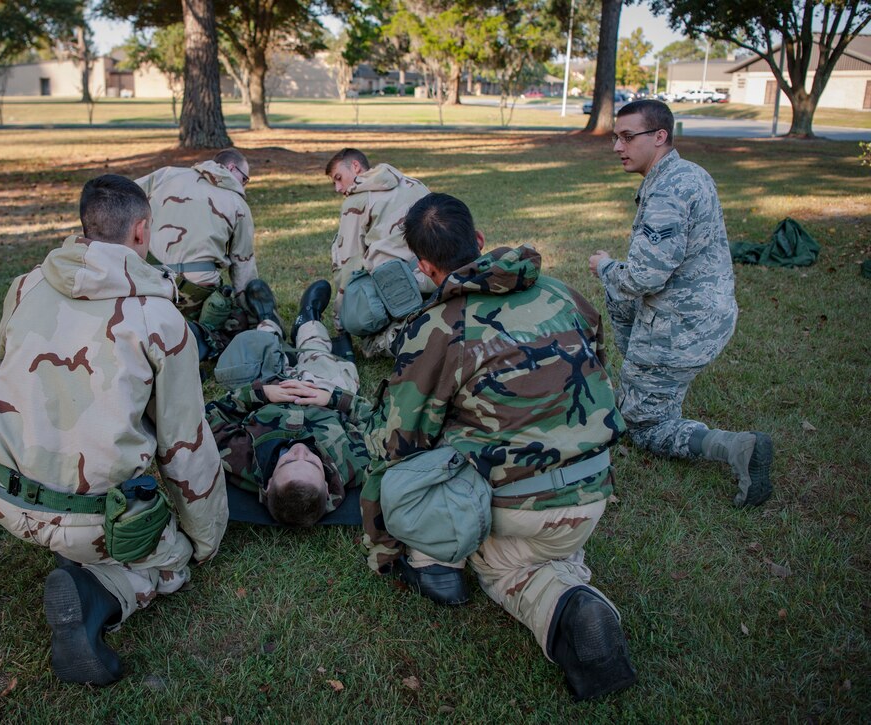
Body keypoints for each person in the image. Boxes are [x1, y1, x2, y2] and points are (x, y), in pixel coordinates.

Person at [362, 192, 636, 701]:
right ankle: (566, 575)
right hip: (595, 490)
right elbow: (594, 369)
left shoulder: (438, 328)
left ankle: (549, 595)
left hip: (515, 508)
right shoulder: (562, 293)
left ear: (424, 267)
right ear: (481, 241)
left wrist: (385, 545)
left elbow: (396, 441)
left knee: (505, 567)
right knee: (546, 549)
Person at [0, 175, 228, 686]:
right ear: (141, 231)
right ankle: (96, 593)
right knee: (171, 563)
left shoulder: (24, 286)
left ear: (85, 226)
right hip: (95, 521)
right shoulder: (160, 318)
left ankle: (66, 543)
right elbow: (184, 445)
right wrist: (204, 538)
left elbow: (5, 368)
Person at [588, 99, 772, 508]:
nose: (618, 147)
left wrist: (604, 267)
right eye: (617, 137)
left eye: (628, 137)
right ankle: (649, 386)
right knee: (639, 392)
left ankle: (736, 448)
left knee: (642, 426)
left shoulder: (668, 190)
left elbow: (642, 277)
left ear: (659, 137)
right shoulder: (690, 174)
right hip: (708, 318)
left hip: (677, 329)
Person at [206, 280, 373, 526]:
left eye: (289, 461)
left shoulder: (243, 461)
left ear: (270, 482)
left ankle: (267, 318)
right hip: (323, 390)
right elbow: (380, 420)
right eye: (313, 463)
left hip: (271, 384)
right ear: (327, 488)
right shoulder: (353, 463)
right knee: (318, 351)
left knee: (257, 348)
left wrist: (262, 394)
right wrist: (334, 398)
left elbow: (210, 417)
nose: (300, 450)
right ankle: (308, 318)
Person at [136, 149, 259, 356]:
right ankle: (200, 340)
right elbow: (243, 265)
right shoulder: (238, 204)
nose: (243, 185)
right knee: (234, 316)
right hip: (197, 294)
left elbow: (123, 198)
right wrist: (252, 316)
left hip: (150, 287)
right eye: (244, 178)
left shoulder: (166, 175)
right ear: (231, 168)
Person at [325, 148, 433, 358]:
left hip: (396, 291)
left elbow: (347, 264)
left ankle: (384, 341)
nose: (338, 188)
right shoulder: (415, 184)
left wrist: (341, 323)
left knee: (362, 323)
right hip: (433, 274)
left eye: (338, 178)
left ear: (355, 166)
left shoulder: (355, 202)